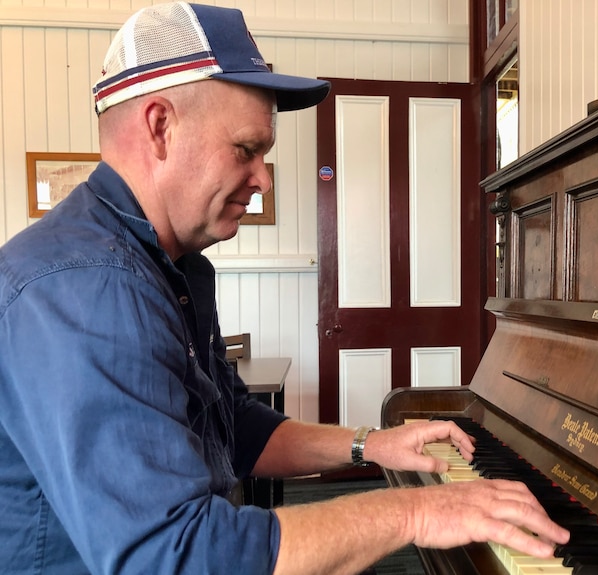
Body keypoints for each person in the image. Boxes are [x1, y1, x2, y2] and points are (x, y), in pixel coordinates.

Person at [0, 3, 569, 575]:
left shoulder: (174, 265)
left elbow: (233, 429)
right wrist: (417, 512)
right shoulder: (88, 288)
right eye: (247, 150)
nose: (264, 178)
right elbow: (174, 558)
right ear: (159, 126)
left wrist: (372, 446)